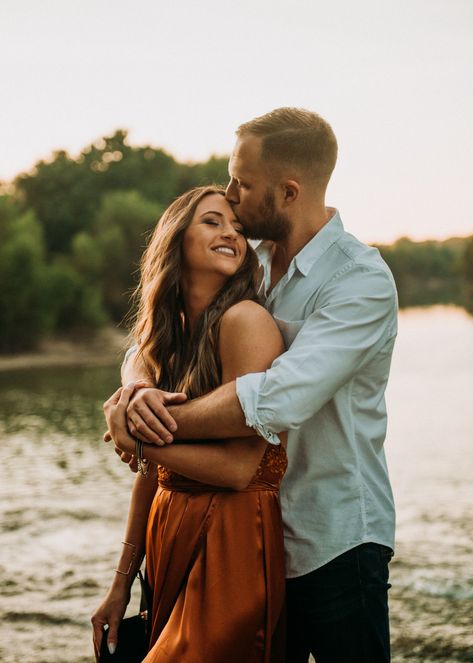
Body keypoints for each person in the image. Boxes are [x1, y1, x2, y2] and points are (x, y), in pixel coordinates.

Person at [119, 108, 398, 663]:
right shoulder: (250, 263)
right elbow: (159, 340)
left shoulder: (359, 281)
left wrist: (145, 429)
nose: (230, 193)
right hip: (249, 536)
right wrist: (131, 391)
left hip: (333, 538)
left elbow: (272, 399)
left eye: (242, 184)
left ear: (288, 192)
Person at [91, 185, 287, 663]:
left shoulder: (246, 321)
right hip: (167, 534)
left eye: (238, 228)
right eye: (213, 221)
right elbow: (150, 480)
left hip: (232, 544)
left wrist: (137, 440)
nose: (232, 234)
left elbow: (241, 468)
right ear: (176, 237)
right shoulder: (167, 338)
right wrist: (121, 584)